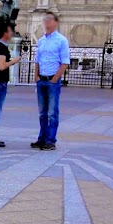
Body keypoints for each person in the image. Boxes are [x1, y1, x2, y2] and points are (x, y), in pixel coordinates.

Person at [31, 12, 70, 151]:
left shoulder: (61, 40)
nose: (46, 22)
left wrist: (55, 79)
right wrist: (36, 76)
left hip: (52, 80)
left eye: (49, 20)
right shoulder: (41, 40)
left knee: (52, 113)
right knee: (42, 113)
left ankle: (50, 140)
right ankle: (42, 138)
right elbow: (37, 60)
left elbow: (65, 62)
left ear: (56, 23)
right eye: (45, 20)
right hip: (41, 79)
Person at [0, 21, 21, 147]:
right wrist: (14, 61)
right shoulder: (0, 47)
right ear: (5, 33)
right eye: (10, 31)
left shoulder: (0, 46)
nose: (12, 33)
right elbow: (1, 66)